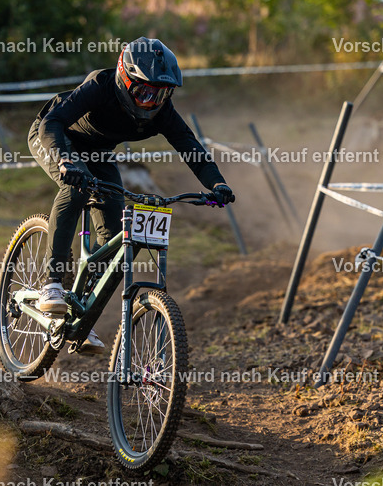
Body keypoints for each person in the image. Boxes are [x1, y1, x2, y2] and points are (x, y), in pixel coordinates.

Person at [28, 37, 234, 355]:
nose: (152, 102)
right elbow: (52, 121)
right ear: (125, 80)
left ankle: (76, 310)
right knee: (75, 189)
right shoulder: (100, 85)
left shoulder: (161, 111)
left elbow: (189, 145)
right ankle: (53, 282)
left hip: (98, 154)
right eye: (145, 92)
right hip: (56, 138)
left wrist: (217, 184)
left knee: (114, 240)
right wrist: (65, 160)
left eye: (162, 94)